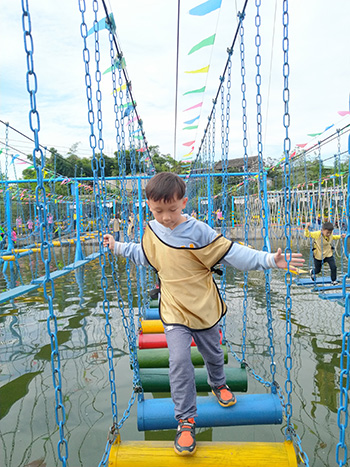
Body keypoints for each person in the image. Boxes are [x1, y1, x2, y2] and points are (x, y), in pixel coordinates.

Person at [103, 172, 304, 456]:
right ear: (148, 205)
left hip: (204, 306)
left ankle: (218, 383)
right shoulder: (151, 230)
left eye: (172, 209)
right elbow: (143, 254)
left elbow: (232, 253)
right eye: (159, 210)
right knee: (179, 360)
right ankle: (186, 420)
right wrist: (116, 246)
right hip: (173, 309)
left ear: (183, 202)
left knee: (213, 354)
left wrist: (269, 260)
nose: (166, 217)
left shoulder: (199, 231)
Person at [305, 221, 345, 285]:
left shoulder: (330, 235)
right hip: (319, 255)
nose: (329, 234)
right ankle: (312, 272)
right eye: (327, 233)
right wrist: (307, 227)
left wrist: (340, 236)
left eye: (330, 232)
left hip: (328, 254)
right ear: (322, 230)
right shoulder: (317, 234)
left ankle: (333, 280)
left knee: (333, 267)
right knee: (318, 270)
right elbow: (307, 234)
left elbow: (333, 237)